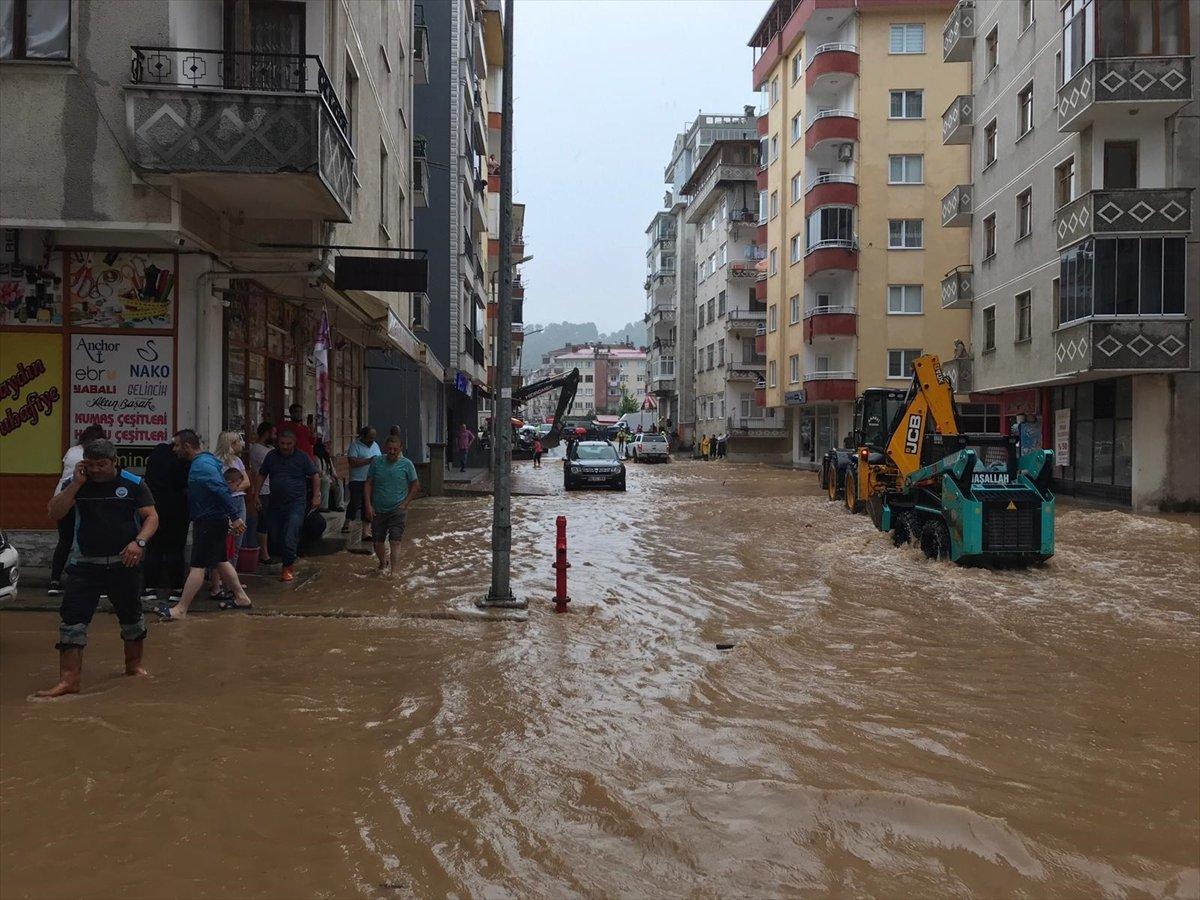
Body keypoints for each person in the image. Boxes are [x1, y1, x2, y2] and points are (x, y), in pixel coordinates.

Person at [38, 439, 158, 698]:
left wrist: (139, 542)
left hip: (124, 563)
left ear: (114, 462)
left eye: (101, 465)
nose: (95, 470)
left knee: (132, 617)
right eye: (90, 465)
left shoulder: (133, 483)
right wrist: (76, 484)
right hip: (84, 564)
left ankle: (134, 667)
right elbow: (55, 512)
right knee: (72, 621)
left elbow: (151, 517)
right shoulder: (77, 483)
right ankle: (69, 680)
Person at [160, 430, 251, 619]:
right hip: (211, 519)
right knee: (221, 561)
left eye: (177, 445)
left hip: (209, 521)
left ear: (187, 446)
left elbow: (221, 490)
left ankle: (181, 609)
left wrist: (235, 517)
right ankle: (241, 597)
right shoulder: (206, 461)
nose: (174, 449)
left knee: (197, 565)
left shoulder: (201, 466)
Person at [46, 424, 107, 596]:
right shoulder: (90, 455)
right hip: (79, 499)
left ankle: (54, 581)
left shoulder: (71, 451)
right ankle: (90, 581)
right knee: (88, 539)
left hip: (61, 496)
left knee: (64, 541)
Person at [258, 427, 320, 582]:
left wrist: (316, 495)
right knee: (276, 535)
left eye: (288, 443)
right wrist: (255, 494)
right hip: (275, 502)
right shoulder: (271, 456)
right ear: (278, 443)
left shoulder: (302, 457)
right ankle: (288, 555)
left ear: (294, 443)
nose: (285, 447)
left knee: (290, 533)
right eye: (282, 443)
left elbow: (314, 475)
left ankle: (287, 567)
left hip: (296, 503)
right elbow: (262, 474)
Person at [363, 435, 422, 575]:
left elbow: (415, 486)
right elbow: (368, 484)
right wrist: (368, 505)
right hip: (378, 509)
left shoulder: (407, 464)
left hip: (398, 509)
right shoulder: (376, 462)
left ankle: (393, 573)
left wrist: (406, 503)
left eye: (395, 449)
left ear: (400, 449)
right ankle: (383, 563)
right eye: (389, 449)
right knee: (377, 541)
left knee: (395, 540)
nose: (392, 452)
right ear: (385, 448)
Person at [142, 438, 191, 602]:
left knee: (153, 548)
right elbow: (185, 483)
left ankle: (149, 588)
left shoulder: (156, 457)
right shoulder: (181, 462)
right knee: (176, 549)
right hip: (177, 509)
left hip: (154, 507)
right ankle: (176, 588)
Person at [209, 431, 250, 600]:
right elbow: (217, 486)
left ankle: (232, 580)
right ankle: (218, 583)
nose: (240, 444)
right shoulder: (215, 462)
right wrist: (230, 489)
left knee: (236, 543)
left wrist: (234, 488)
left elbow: (246, 482)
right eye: (237, 442)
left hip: (239, 501)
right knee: (223, 543)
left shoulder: (237, 461)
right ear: (230, 444)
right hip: (225, 503)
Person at [343, 425, 381, 536]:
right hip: (357, 479)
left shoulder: (375, 445)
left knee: (367, 504)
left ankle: (366, 530)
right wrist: (368, 460)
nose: (372, 440)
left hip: (371, 480)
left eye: (373, 438)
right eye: (370, 438)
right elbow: (352, 462)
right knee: (355, 501)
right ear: (363, 436)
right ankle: (347, 522)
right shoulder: (355, 445)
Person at [246, 421, 275, 562]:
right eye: (273, 434)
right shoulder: (259, 449)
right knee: (263, 522)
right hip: (263, 489)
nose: (275, 437)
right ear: (267, 434)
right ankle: (264, 553)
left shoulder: (268, 448)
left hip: (269, 488)